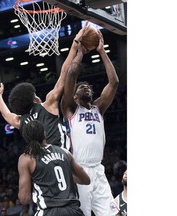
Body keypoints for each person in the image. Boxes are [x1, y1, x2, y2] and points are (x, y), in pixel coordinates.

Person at [0, 23, 89, 148]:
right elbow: (63, 74)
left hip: (42, 164)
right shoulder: (48, 104)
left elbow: (7, 115)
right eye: (35, 94)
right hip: (61, 158)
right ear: (33, 98)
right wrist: (74, 48)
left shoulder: (22, 121)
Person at [60, 29, 120, 216]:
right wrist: (80, 53)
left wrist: (102, 51)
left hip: (99, 170)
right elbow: (70, 74)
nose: (85, 87)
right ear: (75, 96)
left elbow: (114, 82)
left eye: (88, 87)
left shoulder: (98, 108)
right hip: (80, 169)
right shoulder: (70, 108)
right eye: (81, 87)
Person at [17, 120, 91, 216]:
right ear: (44, 133)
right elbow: (86, 180)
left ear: (26, 138)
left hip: (49, 211)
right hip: (74, 210)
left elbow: (24, 199)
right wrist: (66, 177)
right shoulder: (64, 152)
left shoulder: (27, 158)